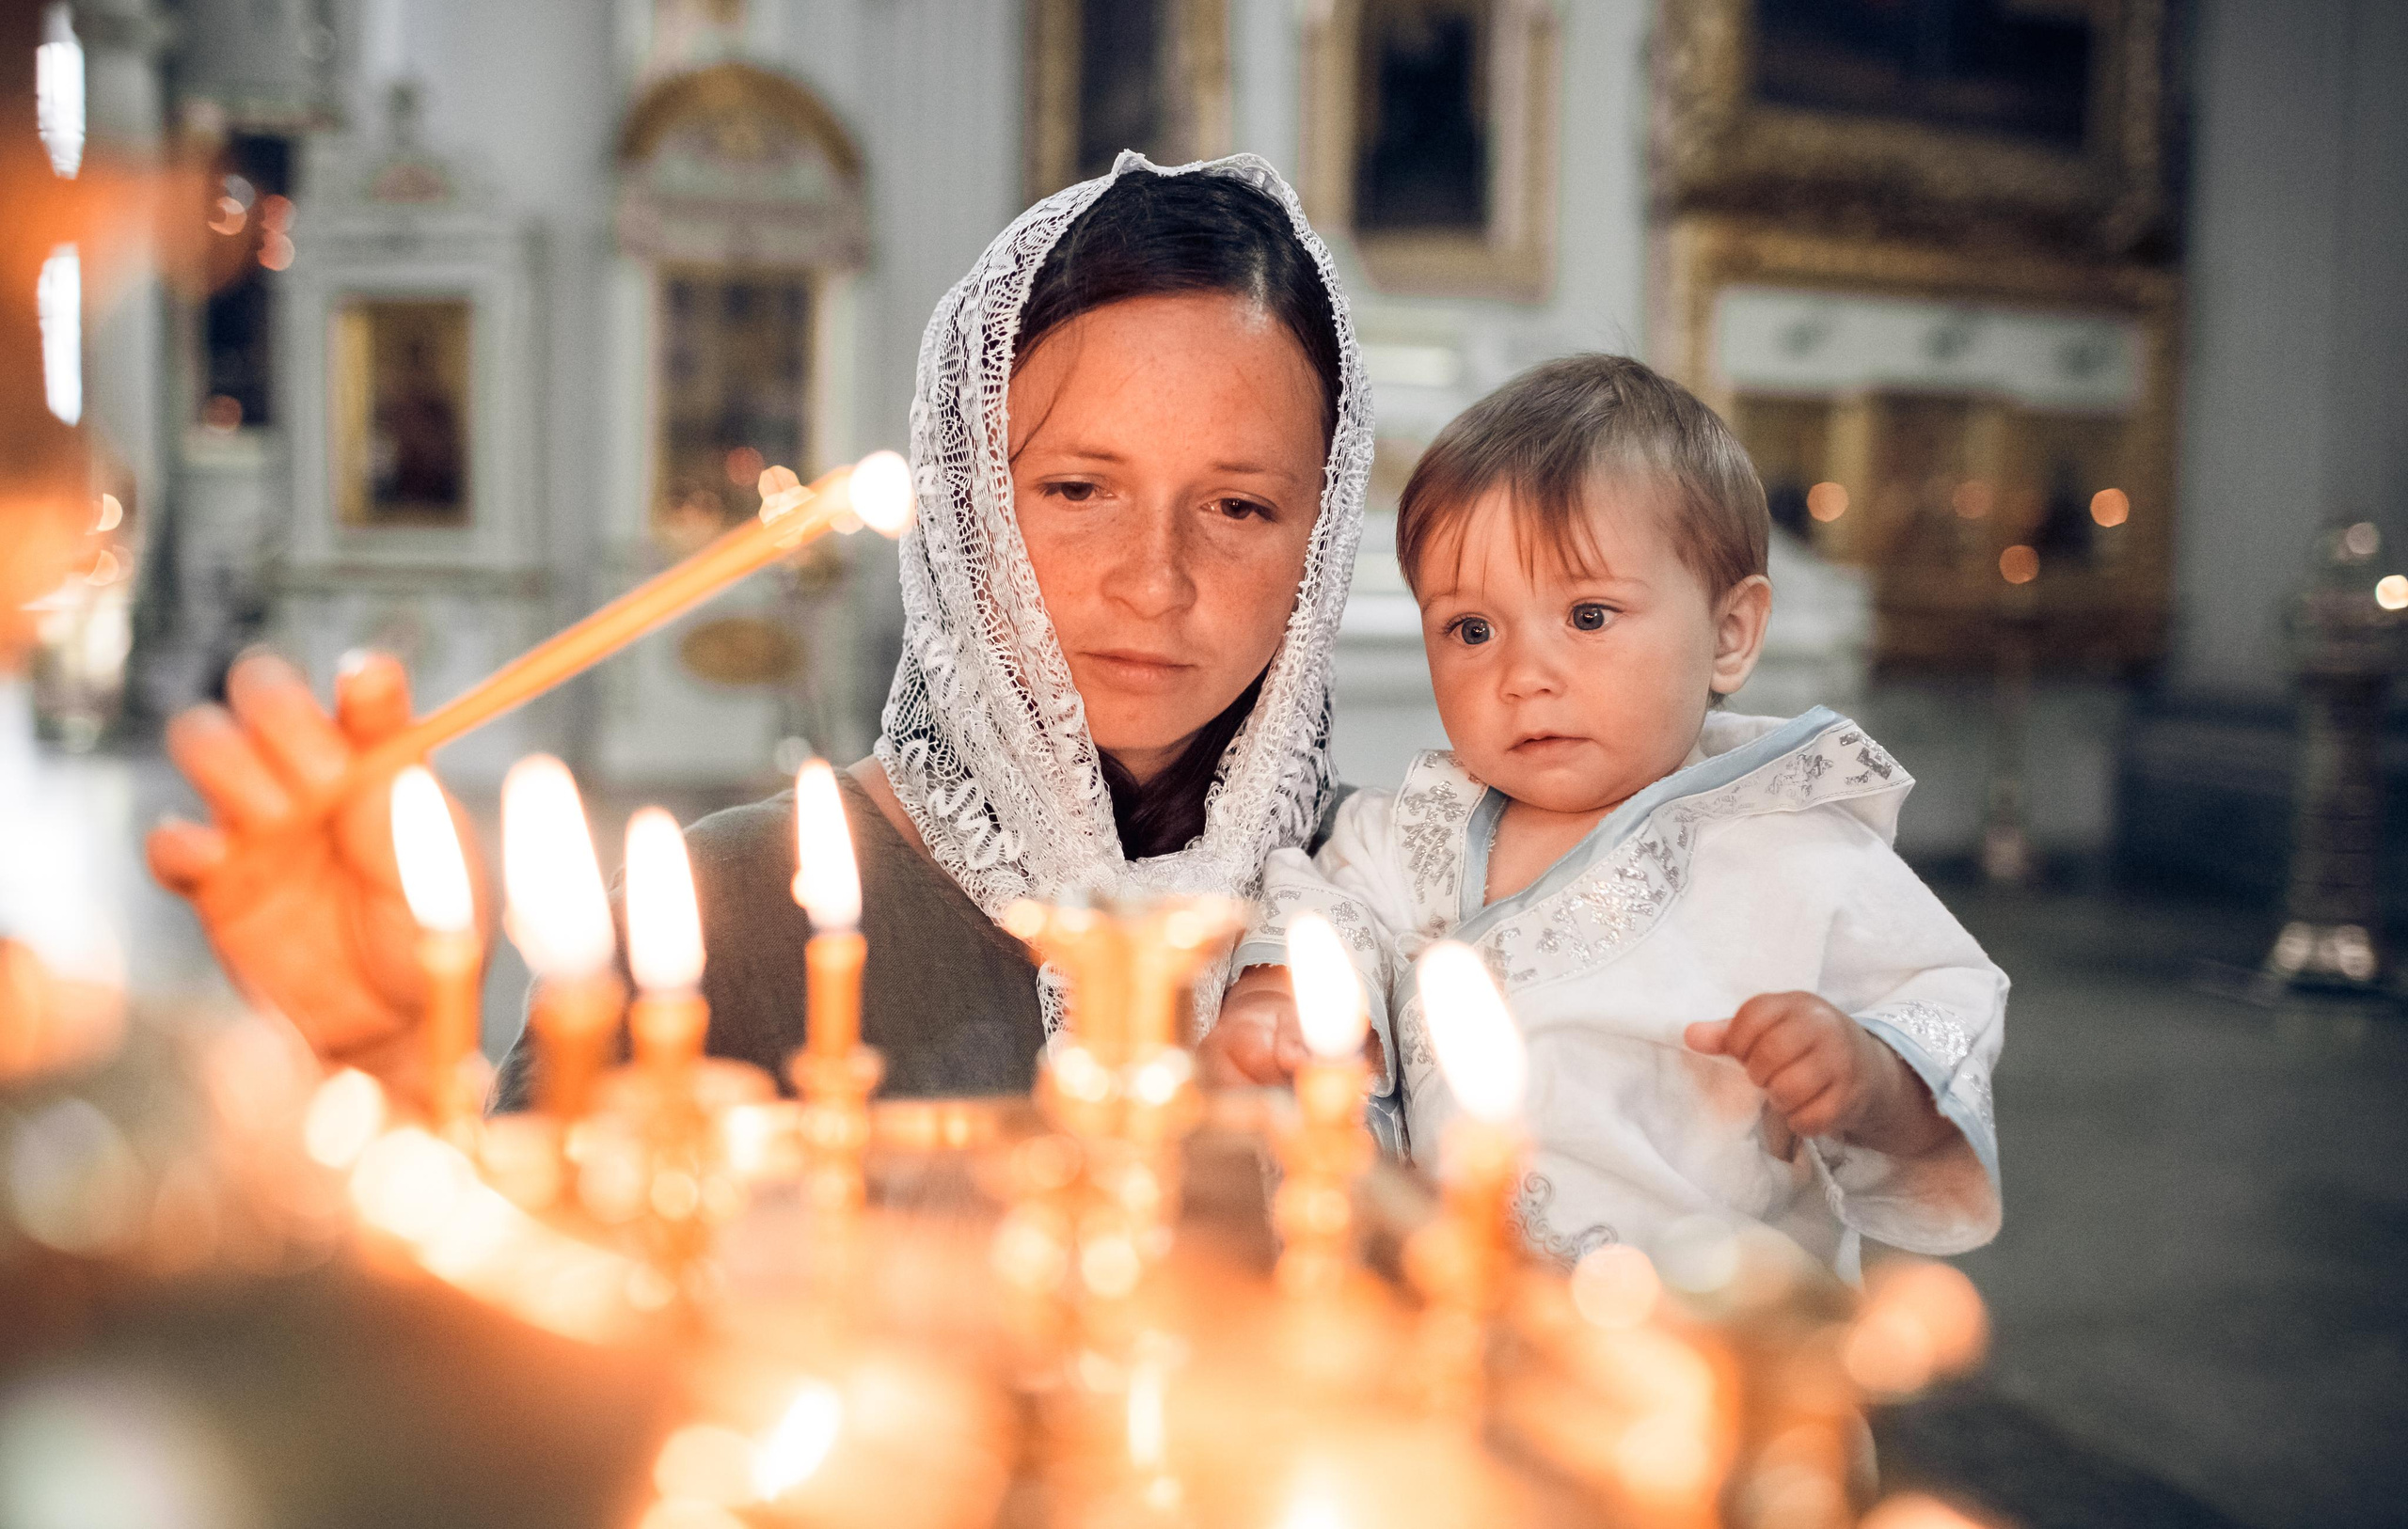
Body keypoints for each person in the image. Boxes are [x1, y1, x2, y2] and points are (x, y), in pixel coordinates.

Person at [145, 152, 1374, 1102]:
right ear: (965, 506)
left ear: (1319, 543)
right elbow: (505, 1392)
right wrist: (394, 1059)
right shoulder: (720, 910)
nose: (1154, 579)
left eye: (1239, 505)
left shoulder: (1396, 890)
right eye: (1077, 489)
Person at [1214, 355, 2003, 1277]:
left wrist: (1868, 1078)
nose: (1523, 674)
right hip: (1466, 1311)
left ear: (1731, 633)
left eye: (1587, 616)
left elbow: (1943, 1003)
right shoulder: (1419, 830)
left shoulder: (1798, 848)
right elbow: (1324, 907)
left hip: (1701, 1342)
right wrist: (1284, 1000)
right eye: (1471, 629)